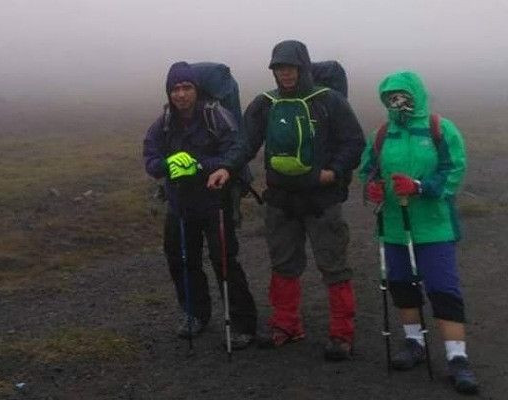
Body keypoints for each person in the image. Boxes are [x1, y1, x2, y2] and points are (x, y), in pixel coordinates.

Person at [242, 40, 365, 360]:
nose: (284, 73)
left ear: (303, 67)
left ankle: (342, 333)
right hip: (281, 199)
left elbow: (354, 143)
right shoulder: (265, 103)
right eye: (278, 68)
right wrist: (225, 169)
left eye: (290, 67)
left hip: (321, 199)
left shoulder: (329, 101)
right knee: (283, 263)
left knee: (333, 265)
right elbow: (245, 143)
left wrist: (333, 172)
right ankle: (286, 325)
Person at [360, 70, 478, 394]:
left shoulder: (440, 129)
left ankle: (457, 358)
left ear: (417, 95)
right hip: (395, 226)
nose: (398, 102)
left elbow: (453, 168)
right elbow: (368, 167)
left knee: (442, 288)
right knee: (400, 284)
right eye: (391, 97)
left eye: (403, 95)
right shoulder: (382, 133)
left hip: (434, 224)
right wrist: (372, 187)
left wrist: (421, 187)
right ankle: (414, 343)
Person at [143, 61, 258, 348]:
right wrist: (168, 165)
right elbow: (151, 158)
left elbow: (237, 150)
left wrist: (199, 166)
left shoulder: (215, 116)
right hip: (180, 203)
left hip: (214, 201)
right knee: (181, 259)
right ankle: (194, 313)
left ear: (196, 89)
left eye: (186, 88)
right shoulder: (164, 122)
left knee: (223, 260)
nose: (180, 94)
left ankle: (243, 323)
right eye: (175, 89)